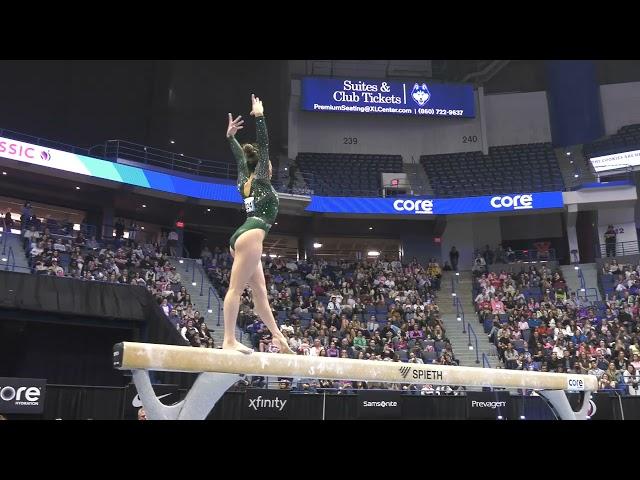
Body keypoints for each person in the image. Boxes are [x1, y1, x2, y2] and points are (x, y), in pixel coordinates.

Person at [222, 94, 293, 354]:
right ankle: (228, 339)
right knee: (236, 289)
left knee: (260, 292)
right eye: (269, 165)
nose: (271, 166)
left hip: (242, 236)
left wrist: (231, 137)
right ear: (265, 168)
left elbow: (241, 158)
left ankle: (277, 336)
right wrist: (260, 117)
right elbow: (263, 146)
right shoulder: (262, 178)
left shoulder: (244, 179)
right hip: (252, 235)